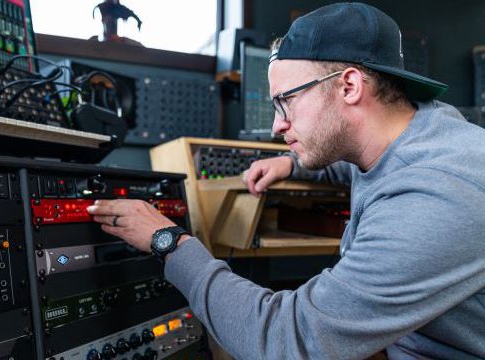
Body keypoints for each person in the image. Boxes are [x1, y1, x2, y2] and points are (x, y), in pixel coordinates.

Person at [87, 2, 485, 359]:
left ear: (349, 86)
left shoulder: (436, 191)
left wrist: (171, 243)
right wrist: (291, 163)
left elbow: (286, 339)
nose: (277, 125)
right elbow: (357, 160)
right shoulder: (424, 131)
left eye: (286, 101)